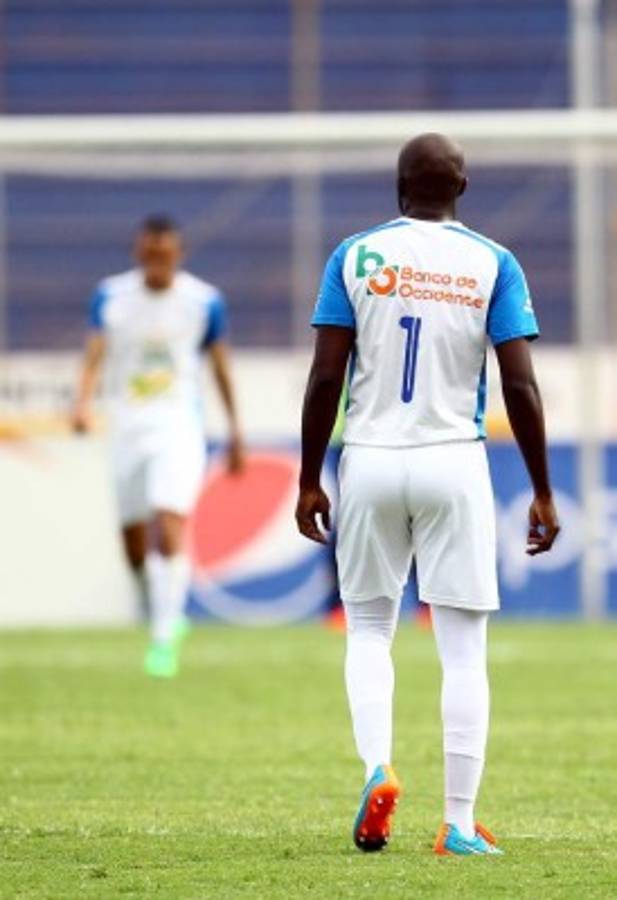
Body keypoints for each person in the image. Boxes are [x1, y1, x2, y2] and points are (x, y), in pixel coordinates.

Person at [295, 134, 559, 856]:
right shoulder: (492, 262)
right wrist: (541, 489)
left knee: (367, 628)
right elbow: (519, 383)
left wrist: (309, 476)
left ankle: (377, 767)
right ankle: (458, 824)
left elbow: (326, 377)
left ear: (397, 186)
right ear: (462, 187)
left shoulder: (355, 255)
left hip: (370, 460)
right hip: (453, 461)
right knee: (463, 650)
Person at [73, 215, 244, 678]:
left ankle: (164, 638)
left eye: (165, 254)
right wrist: (82, 403)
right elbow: (94, 354)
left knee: (169, 524)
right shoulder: (111, 297)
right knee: (133, 545)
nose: (157, 261)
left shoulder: (203, 301)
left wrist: (235, 432)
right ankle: (156, 607)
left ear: (178, 254)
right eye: (150, 253)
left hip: (177, 426)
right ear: (138, 252)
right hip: (126, 427)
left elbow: (220, 366)